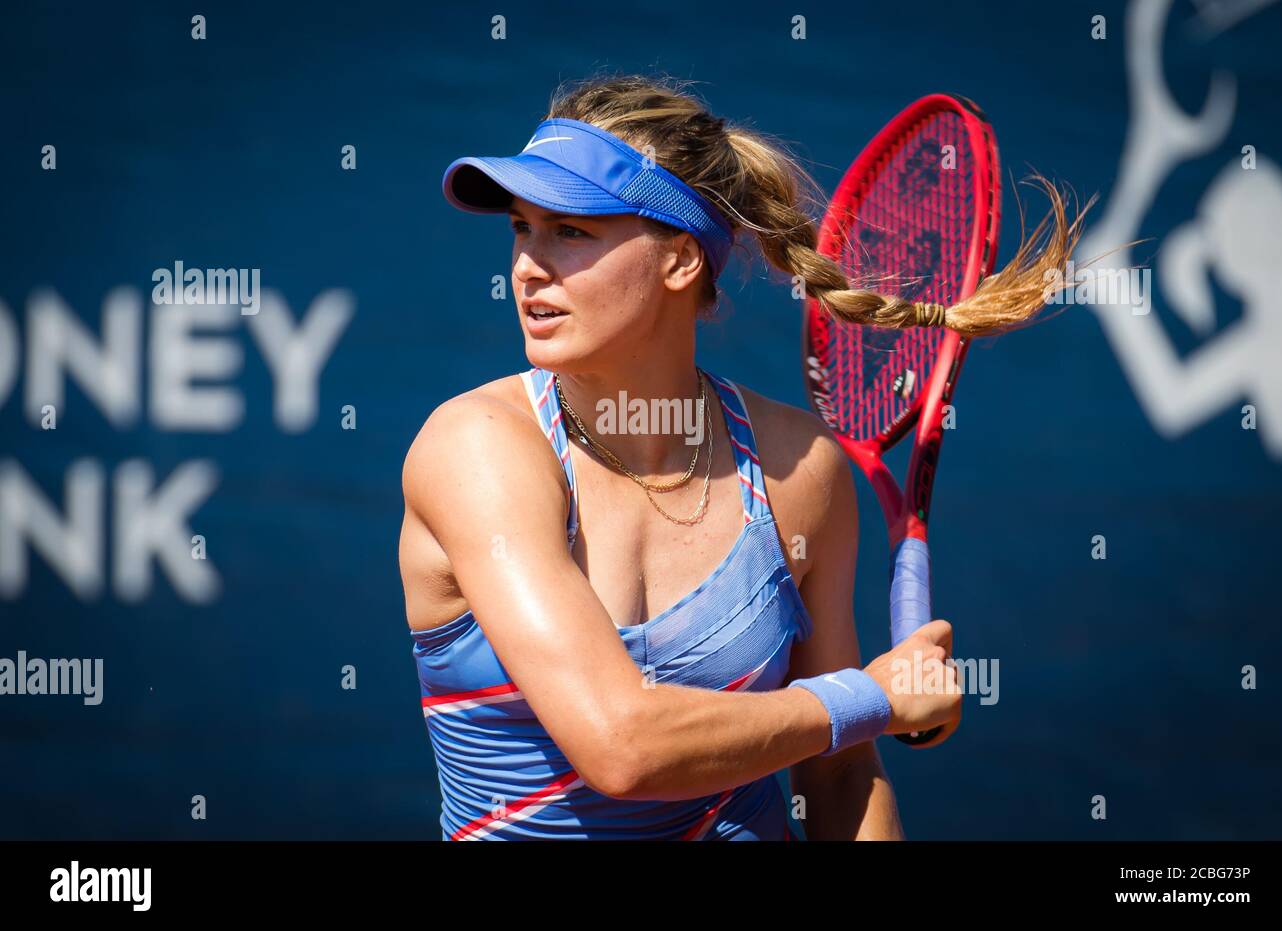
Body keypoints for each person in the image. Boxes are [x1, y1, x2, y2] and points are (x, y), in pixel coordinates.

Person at [399, 73, 1083, 840]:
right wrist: (874, 697)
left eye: (571, 231)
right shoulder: (477, 447)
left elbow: (838, 771)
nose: (527, 264)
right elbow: (622, 746)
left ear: (681, 260)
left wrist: (859, 709)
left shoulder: (800, 467)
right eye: (521, 228)